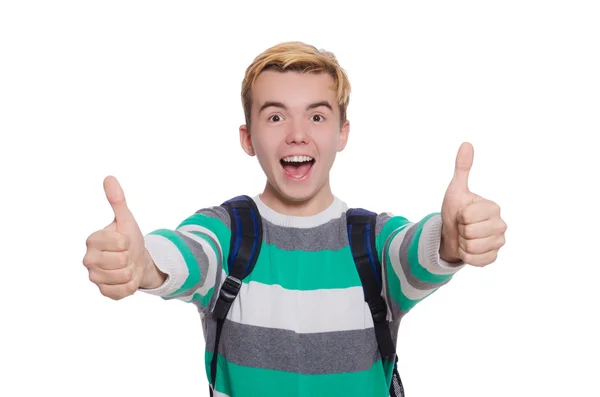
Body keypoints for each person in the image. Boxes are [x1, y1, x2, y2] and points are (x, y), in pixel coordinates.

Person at [82, 41, 507, 397]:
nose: (297, 134)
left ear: (342, 133)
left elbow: (419, 250)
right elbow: (185, 254)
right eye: (275, 116)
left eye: (317, 116)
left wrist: (455, 238)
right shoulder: (228, 232)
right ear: (248, 138)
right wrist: (142, 264)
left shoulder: (372, 242)